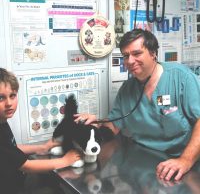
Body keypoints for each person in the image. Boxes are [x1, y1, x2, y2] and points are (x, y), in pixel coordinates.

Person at [74, 29, 200, 182]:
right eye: (126, 56)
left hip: (187, 162)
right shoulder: (127, 89)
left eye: (137, 53)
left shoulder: (180, 77)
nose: (130, 61)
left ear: (153, 53)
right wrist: (96, 123)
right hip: (147, 162)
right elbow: (114, 126)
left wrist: (185, 160)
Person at [0, 68, 81, 193]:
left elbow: (12, 148)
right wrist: (65, 161)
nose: (9, 103)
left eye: (12, 96)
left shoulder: (2, 120)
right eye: (1, 98)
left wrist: (41, 148)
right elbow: (27, 166)